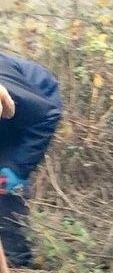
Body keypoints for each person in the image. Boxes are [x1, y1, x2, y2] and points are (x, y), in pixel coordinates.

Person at [0, 52, 62, 268]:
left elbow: (48, 114)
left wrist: (18, 167)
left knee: (5, 186)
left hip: (36, 106)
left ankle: (17, 261)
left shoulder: (14, 93)